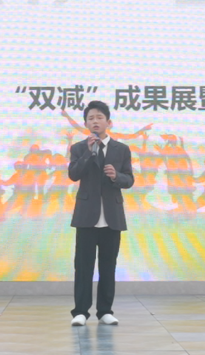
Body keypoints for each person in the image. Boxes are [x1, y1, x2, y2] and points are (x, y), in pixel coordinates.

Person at [68, 100, 134, 327]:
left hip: (112, 217)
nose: (95, 121)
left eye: (99, 117)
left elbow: (129, 180)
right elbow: (74, 174)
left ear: (108, 122)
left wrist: (116, 176)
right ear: (86, 124)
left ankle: (105, 311)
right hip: (87, 216)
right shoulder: (79, 148)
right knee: (83, 266)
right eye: (90, 118)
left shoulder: (121, 149)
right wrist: (88, 153)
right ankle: (80, 312)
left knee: (108, 266)